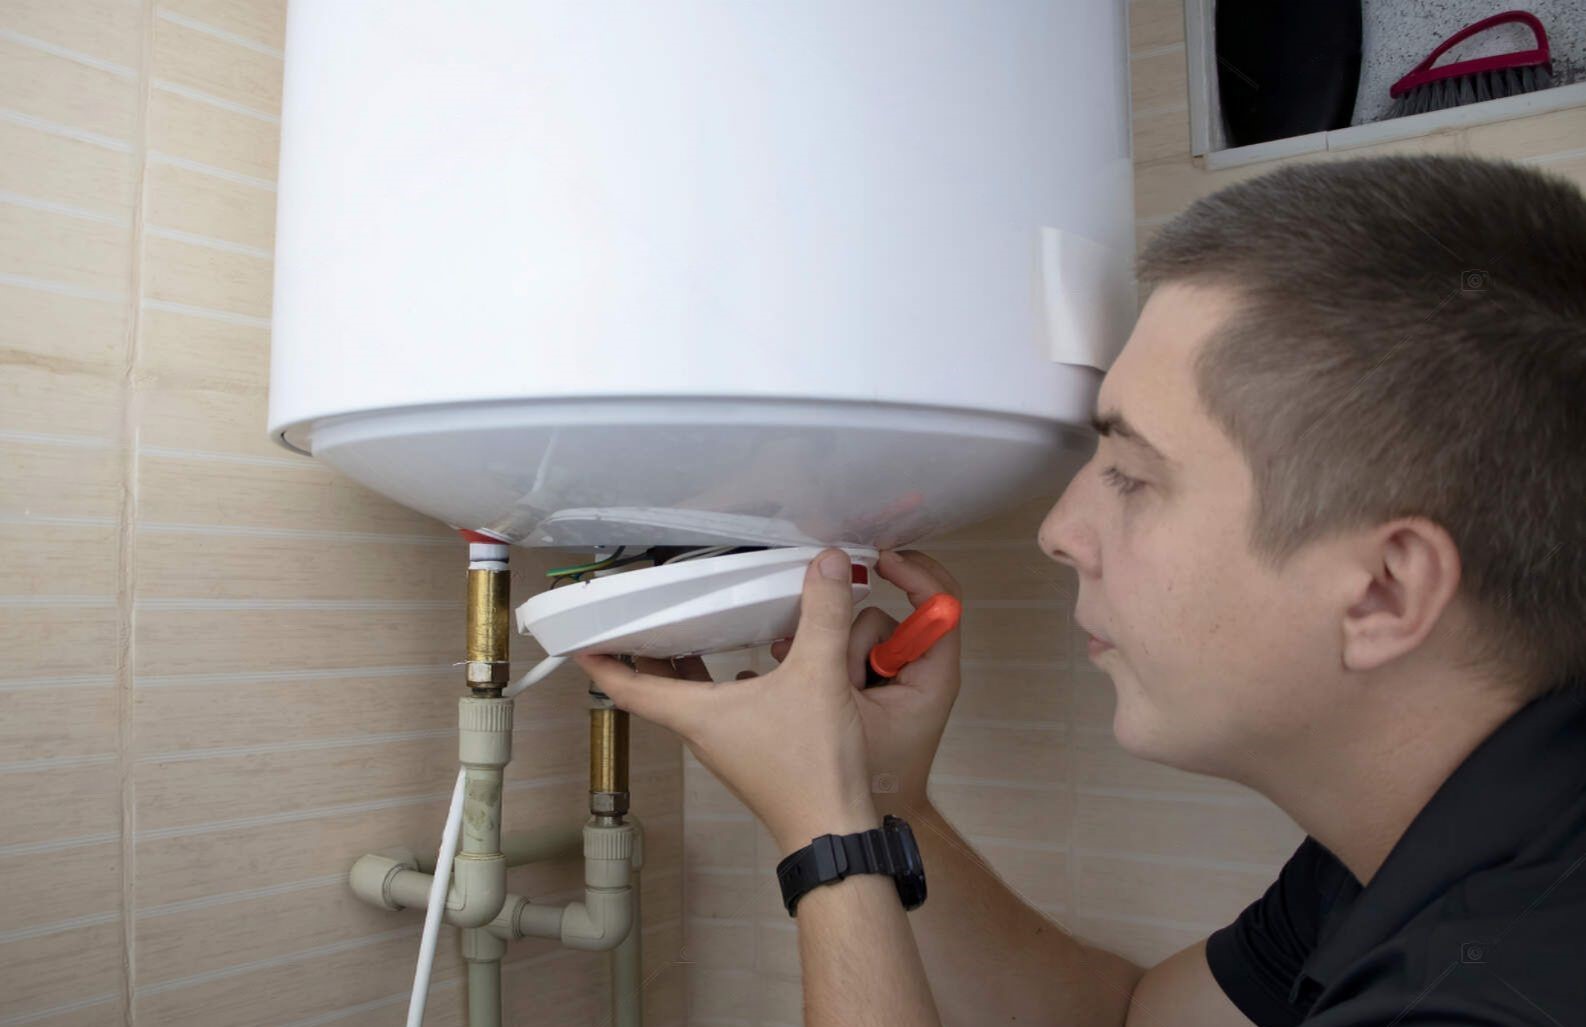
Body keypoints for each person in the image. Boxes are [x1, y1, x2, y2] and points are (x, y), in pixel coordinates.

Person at [577, 154, 1586, 1026]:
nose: (1058, 532)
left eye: (1133, 476)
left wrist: (826, 839)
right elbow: (1132, 1015)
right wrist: (884, 799)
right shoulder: (1451, 835)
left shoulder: (1494, 990)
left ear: (1382, 590)